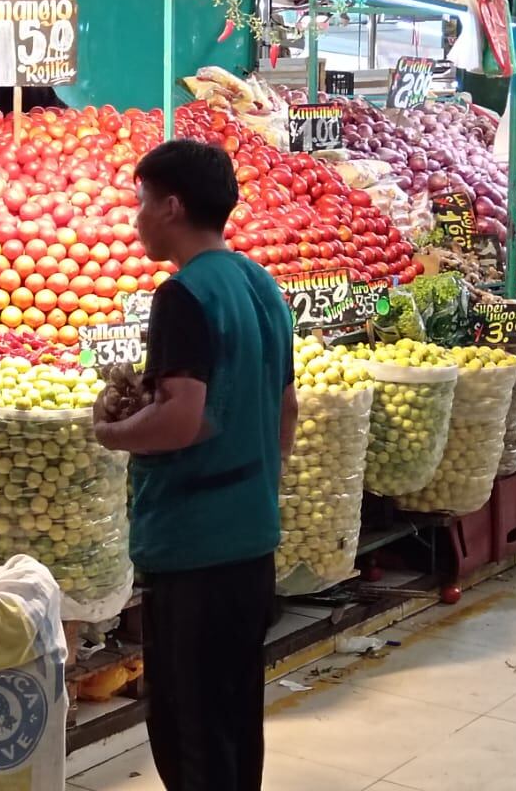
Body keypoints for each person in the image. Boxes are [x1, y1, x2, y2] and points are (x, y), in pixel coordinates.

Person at [93, 140, 297, 791]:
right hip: (250, 538)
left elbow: (182, 418)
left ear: (172, 206)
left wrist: (112, 432)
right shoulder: (260, 283)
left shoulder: (182, 296)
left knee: (190, 728)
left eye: (140, 202)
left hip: (194, 547)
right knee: (235, 718)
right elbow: (286, 408)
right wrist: (258, 481)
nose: (135, 218)